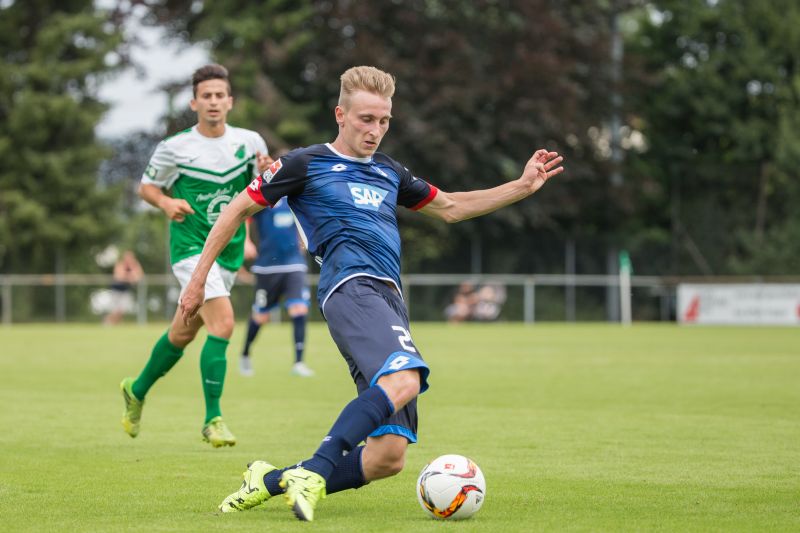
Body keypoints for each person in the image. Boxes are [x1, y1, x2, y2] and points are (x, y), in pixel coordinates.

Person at [180, 66, 563, 520]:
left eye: (383, 121)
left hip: (389, 300)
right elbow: (235, 209)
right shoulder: (305, 163)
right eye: (365, 119)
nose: (375, 130)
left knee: (388, 456)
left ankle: (270, 478)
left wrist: (522, 186)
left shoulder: (389, 171)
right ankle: (317, 469)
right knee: (405, 379)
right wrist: (198, 279)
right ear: (340, 114)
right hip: (349, 287)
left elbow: (453, 207)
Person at [119, 64, 271, 447]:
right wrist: (167, 202)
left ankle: (136, 389)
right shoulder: (175, 147)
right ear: (194, 102)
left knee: (183, 333)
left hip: (229, 251)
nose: (214, 101)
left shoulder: (251, 143)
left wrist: (266, 181)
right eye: (207, 96)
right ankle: (212, 418)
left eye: (220, 95)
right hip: (190, 247)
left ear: (230, 101)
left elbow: (251, 197)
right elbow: (146, 188)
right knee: (222, 324)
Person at [240, 194, 315, 378]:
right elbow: (243, 215)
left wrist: (302, 237)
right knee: (261, 316)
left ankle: (298, 362)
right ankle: (245, 354)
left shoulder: (294, 195)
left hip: (293, 264)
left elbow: (305, 216)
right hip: (267, 266)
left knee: (299, 309)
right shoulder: (263, 194)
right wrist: (245, 241)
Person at [104, 250, 144, 325]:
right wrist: (130, 277)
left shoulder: (134, 265)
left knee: (122, 310)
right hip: (116, 290)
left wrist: (132, 268)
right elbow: (119, 276)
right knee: (115, 310)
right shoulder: (120, 264)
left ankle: (115, 324)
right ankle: (106, 323)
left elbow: (139, 276)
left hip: (125, 290)